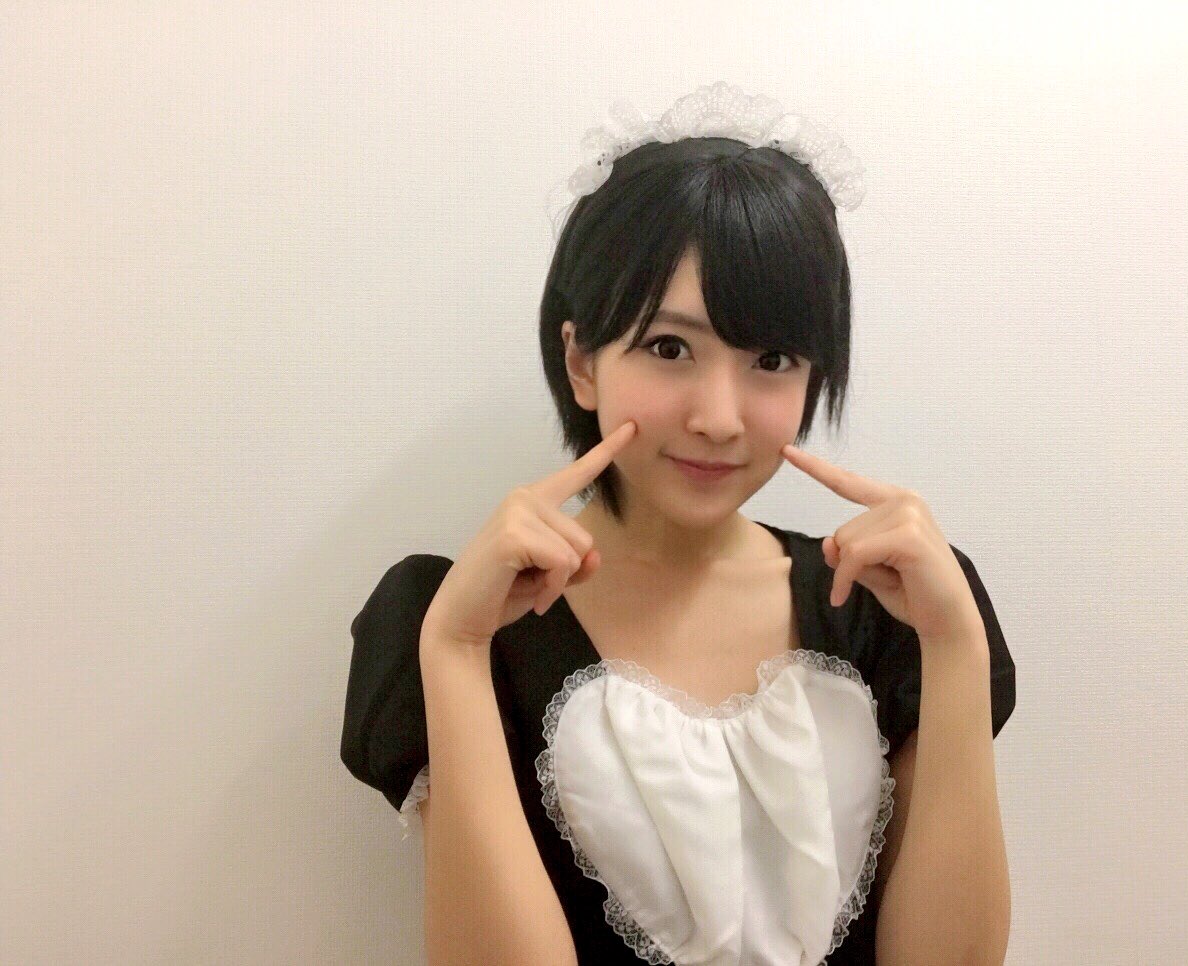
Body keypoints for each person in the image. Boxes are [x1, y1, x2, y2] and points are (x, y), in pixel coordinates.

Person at [342, 81, 1017, 965]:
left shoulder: (891, 606)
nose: (719, 417)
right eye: (669, 348)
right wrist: (456, 650)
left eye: (771, 359)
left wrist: (955, 643)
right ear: (582, 363)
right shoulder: (462, 615)